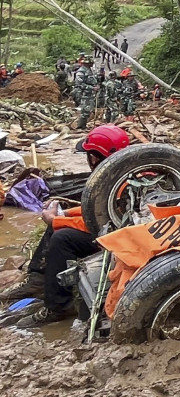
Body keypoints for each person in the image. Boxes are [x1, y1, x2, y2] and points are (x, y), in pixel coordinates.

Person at [0, 125, 131, 326]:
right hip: (117, 231)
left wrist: (56, 220)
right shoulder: (119, 173)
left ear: (94, 157)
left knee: (62, 238)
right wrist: (66, 212)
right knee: (58, 227)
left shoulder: (121, 181)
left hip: (121, 239)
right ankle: (38, 280)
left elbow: (101, 223)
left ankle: (58, 307)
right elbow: (99, 210)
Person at [72, 58, 99, 130]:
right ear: (87, 63)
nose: (92, 64)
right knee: (85, 111)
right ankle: (80, 127)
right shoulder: (81, 72)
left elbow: (93, 80)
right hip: (84, 94)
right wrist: (92, 88)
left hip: (89, 94)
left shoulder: (89, 70)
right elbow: (79, 83)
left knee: (88, 110)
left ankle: (83, 125)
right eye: (91, 62)